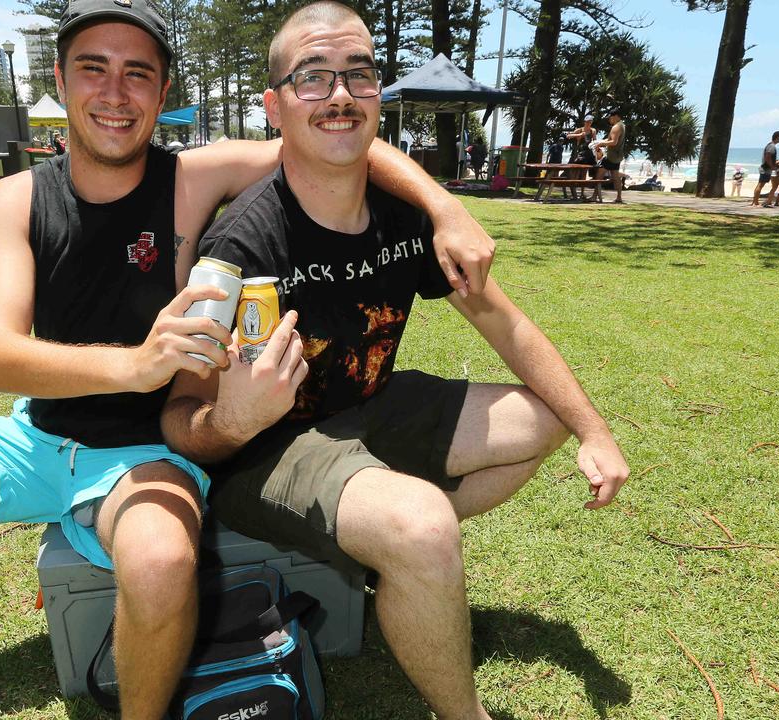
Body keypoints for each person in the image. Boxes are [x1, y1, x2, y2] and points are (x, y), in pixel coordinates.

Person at [0, 0, 501, 717]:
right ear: (59, 79)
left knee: (160, 562)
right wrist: (135, 364)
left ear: (162, 91)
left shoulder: (192, 179)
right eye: (94, 69)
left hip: (147, 456)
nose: (115, 93)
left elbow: (340, 134)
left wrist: (446, 207)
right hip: (32, 442)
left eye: (137, 73)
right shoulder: (15, 199)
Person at [160, 4, 630, 718]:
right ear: (275, 106)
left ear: (379, 94)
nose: (340, 94)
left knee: (542, 419)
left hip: (369, 410)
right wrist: (233, 420)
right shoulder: (240, 249)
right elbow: (180, 418)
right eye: (312, 78)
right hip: (265, 449)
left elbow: (503, 322)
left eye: (359, 74)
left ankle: (400, 564)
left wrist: (594, 431)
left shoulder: (405, 215)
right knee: (422, 527)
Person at [594, 109, 626, 203]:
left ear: (615, 116)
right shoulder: (622, 125)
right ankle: (619, 197)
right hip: (617, 156)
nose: (609, 119)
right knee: (616, 177)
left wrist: (600, 144)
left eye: (610, 117)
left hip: (610, 156)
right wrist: (603, 141)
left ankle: (594, 196)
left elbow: (613, 142)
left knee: (599, 175)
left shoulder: (616, 127)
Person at [752, 130, 779, 206]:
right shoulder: (772, 146)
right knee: (760, 185)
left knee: (760, 185)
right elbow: (767, 157)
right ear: (777, 138)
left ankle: (755, 202)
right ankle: (755, 202)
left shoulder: (770, 145)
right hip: (766, 168)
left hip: (766, 168)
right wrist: (772, 166)